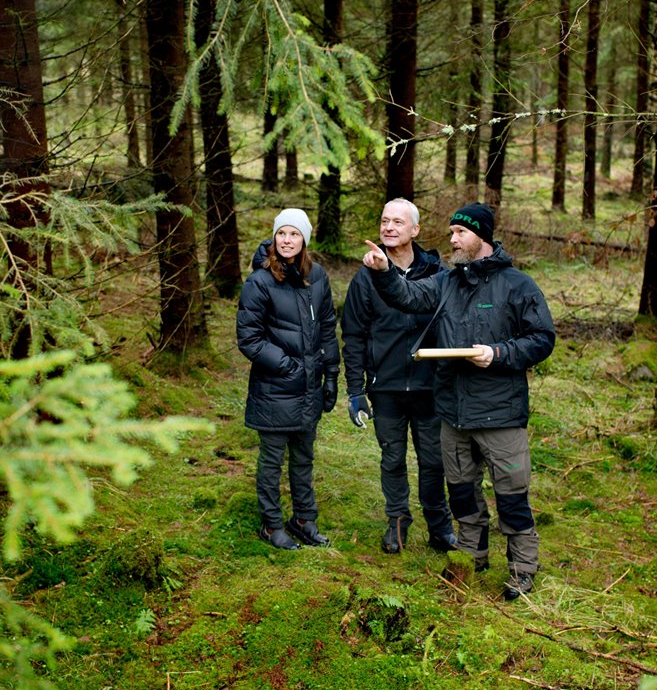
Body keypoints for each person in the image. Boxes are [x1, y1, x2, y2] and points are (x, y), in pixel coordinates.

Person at [361, 202, 555, 600]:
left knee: (512, 495)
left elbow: (541, 339)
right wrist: (383, 273)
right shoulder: (447, 282)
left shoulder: (518, 286)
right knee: (462, 491)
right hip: (453, 411)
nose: (452, 239)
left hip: (501, 413)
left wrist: (498, 354)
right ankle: (471, 555)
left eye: (460, 233)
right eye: (451, 232)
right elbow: (409, 296)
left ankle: (522, 568)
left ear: (481, 236)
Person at [341, 198, 457, 555]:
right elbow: (355, 334)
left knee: (433, 460)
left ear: (415, 230)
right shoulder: (366, 277)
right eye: (384, 221)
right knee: (392, 457)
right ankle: (397, 521)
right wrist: (355, 389)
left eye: (397, 222)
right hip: (386, 386)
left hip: (429, 386)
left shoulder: (439, 275)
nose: (389, 228)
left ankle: (440, 527)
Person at [237, 208, 340, 550]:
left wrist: (331, 375)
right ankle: (270, 524)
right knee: (271, 460)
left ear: (304, 240)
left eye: (294, 234)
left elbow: (327, 327)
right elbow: (249, 338)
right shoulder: (260, 282)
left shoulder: (318, 277)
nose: (286, 240)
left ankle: (304, 520)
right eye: (282, 234)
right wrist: (289, 367)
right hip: (276, 388)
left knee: (303, 457)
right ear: (274, 237)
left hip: (310, 387)